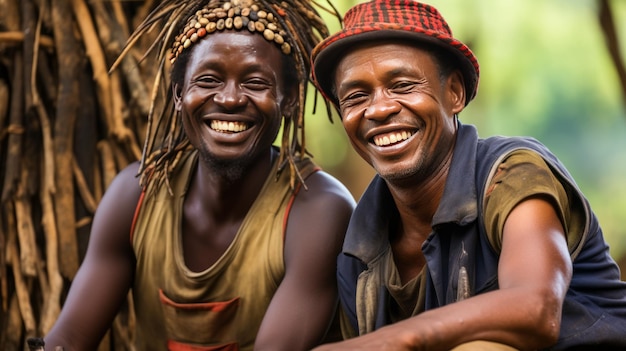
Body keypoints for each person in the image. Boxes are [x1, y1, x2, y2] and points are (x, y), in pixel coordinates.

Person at [310, 0, 626, 350]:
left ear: (454, 93)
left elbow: (536, 309)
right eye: (355, 96)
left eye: (402, 85)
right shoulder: (359, 249)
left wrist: (392, 340)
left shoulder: (512, 175)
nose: (379, 108)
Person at [42, 0, 355, 350]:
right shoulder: (136, 196)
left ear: (290, 100)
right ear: (179, 95)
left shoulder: (317, 211)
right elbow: (67, 340)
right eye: (208, 79)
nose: (230, 99)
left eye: (254, 82)